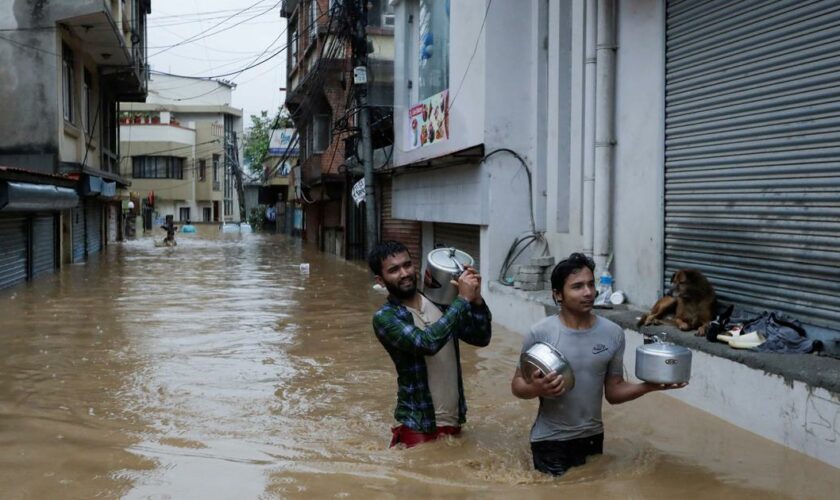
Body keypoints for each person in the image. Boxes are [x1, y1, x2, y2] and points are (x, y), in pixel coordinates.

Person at [511, 252, 686, 476]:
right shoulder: (540, 332)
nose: (588, 292)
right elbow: (517, 385)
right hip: (550, 439)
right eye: (577, 287)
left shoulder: (612, 334)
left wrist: (650, 386)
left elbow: (613, 392)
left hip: (593, 437)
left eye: (591, 284)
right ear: (558, 295)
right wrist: (535, 388)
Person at [368, 240, 492, 448]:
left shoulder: (441, 302)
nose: (404, 273)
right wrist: (462, 300)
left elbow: (481, 338)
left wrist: (476, 300)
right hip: (419, 425)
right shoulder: (385, 318)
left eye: (407, 265)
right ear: (380, 280)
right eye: (394, 270)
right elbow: (426, 343)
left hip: (454, 420)